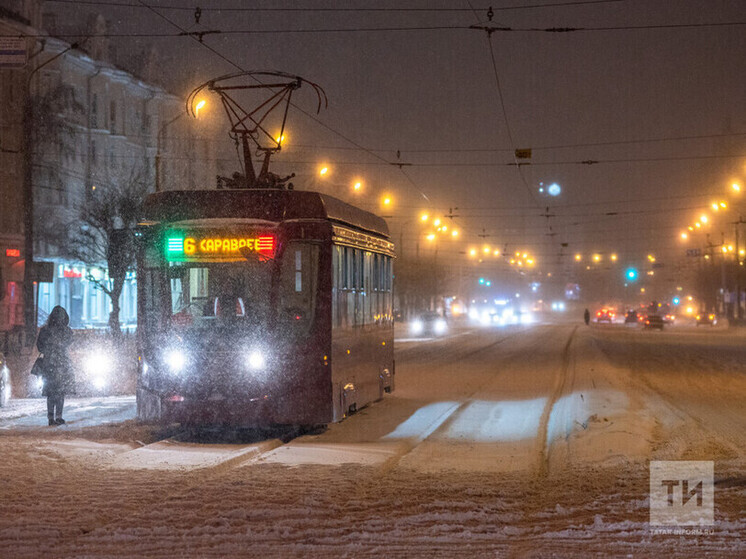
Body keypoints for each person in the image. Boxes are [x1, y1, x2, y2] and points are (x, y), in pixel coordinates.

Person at [36, 306, 74, 426]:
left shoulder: (45, 331)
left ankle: (50, 417)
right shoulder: (67, 331)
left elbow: (40, 346)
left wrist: (49, 350)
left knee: (50, 392)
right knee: (60, 392)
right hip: (62, 363)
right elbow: (69, 342)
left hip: (49, 364)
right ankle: (59, 416)